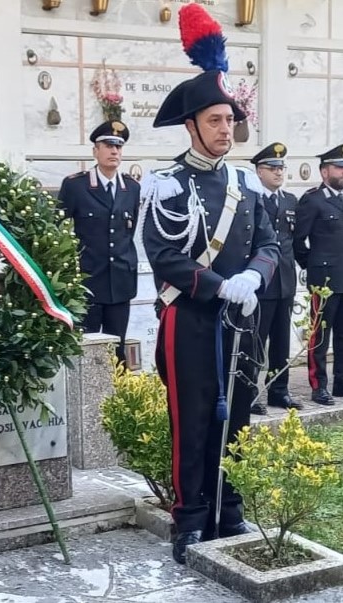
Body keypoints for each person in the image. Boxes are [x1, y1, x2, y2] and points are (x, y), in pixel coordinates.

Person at [140, 3, 279, 564]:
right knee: (193, 419)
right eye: (216, 121)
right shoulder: (167, 184)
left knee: (239, 413)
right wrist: (220, 284)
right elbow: (163, 256)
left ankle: (229, 508)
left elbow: (271, 243)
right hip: (192, 318)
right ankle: (191, 518)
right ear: (192, 125)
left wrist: (253, 276)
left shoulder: (247, 183)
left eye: (230, 120)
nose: (227, 129)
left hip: (242, 317)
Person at [57, 120, 140, 364]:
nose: (114, 151)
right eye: (108, 146)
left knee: (118, 351)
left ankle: (117, 389)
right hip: (88, 282)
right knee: (88, 351)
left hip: (121, 283)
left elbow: (129, 231)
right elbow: (58, 228)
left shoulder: (131, 188)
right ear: (95, 151)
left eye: (118, 147)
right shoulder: (76, 186)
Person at [249, 143, 300, 415]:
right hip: (261, 283)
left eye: (281, 168)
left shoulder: (290, 200)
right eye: (272, 168)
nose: (279, 172)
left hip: (285, 282)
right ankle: (249, 393)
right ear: (259, 171)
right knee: (255, 342)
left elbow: (295, 241)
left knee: (281, 342)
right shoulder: (251, 199)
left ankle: (279, 391)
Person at [294, 143, 343, 405]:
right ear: (325, 172)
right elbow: (298, 241)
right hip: (323, 281)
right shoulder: (313, 200)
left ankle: (341, 384)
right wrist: (312, 266)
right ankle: (318, 386)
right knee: (320, 336)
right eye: (339, 167)